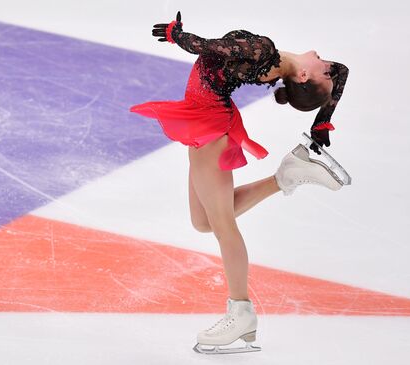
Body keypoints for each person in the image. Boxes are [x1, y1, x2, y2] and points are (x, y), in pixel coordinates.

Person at [130, 11, 349, 353]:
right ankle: (286, 176)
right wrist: (322, 121)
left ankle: (241, 310)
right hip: (207, 114)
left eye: (322, 65)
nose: (324, 58)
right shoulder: (280, 61)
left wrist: (176, 35)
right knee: (202, 222)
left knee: (221, 225)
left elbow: (207, 48)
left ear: (304, 75)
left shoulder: (262, 50)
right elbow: (343, 72)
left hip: (210, 123)